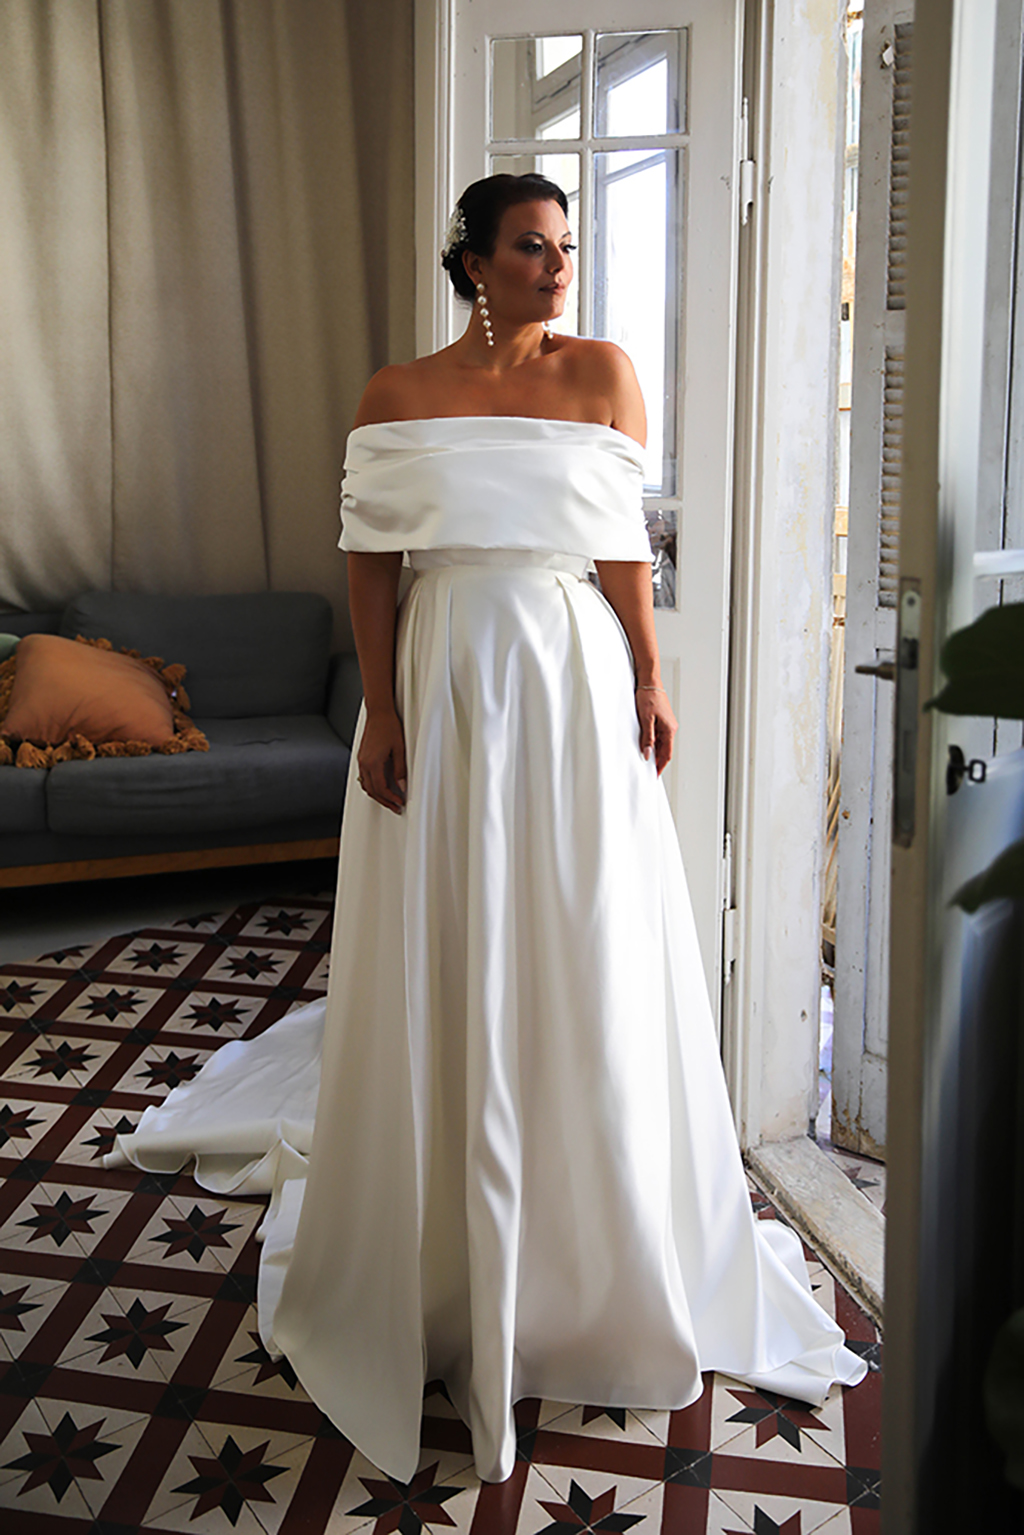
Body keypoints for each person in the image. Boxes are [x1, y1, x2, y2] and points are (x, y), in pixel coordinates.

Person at [108, 172, 867, 1485]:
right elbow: (372, 566)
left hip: (569, 681)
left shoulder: (608, 378)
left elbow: (622, 540)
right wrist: (385, 714)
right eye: (531, 248)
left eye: (566, 247)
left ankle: (593, 1263)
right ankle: (444, 1265)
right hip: (450, 682)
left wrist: (646, 669)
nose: (556, 267)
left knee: (585, 938)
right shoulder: (398, 397)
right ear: (472, 263)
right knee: (453, 940)